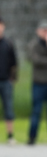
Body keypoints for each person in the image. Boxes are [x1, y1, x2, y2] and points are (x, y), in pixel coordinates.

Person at [0, 16, 17, 144]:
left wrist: (13, 79)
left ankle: (10, 136)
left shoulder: (8, 44)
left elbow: (14, 63)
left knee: (8, 109)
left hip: (6, 81)